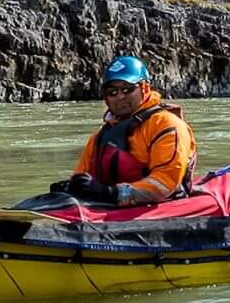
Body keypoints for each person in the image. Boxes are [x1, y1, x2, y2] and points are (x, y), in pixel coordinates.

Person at [64, 55, 195, 206]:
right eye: (112, 92)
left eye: (127, 89)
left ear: (144, 88)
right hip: (110, 204)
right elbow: (82, 176)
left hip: (160, 205)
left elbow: (164, 183)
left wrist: (111, 193)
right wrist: (72, 187)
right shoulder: (100, 136)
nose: (120, 97)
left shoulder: (168, 125)